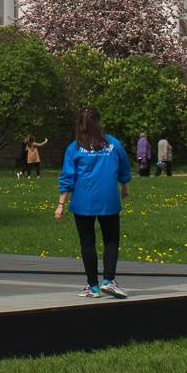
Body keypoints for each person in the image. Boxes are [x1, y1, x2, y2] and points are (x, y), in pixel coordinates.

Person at [55, 104, 132, 298]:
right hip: (109, 199)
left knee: (87, 242)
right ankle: (110, 280)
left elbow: (68, 177)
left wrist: (61, 204)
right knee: (111, 239)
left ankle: (92, 286)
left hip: (83, 201)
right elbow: (124, 167)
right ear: (99, 122)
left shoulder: (75, 147)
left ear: (80, 124)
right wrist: (124, 187)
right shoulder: (113, 144)